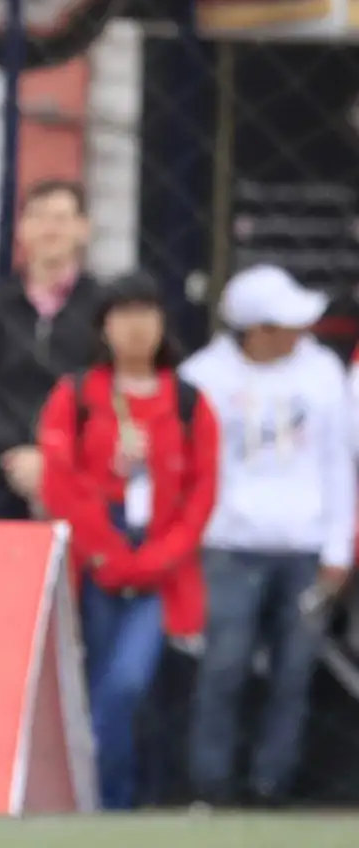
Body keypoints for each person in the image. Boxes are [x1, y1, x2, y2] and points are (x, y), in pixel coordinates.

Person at [37, 271, 218, 811]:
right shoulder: (76, 396)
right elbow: (60, 482)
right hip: (96, 563)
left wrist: (158, 557)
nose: (137, 328)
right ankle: (105, 801)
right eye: (124, 315)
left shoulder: (189, 403)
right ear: (103, 327)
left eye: (147, 314)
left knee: (128, 684)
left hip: (160, 567)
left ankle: (115, 799)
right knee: (97, 684)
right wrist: (104, 550)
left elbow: (202, 493)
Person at [180, 263, 356, 808]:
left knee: (294, 672)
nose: (301, 334)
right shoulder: (202, 377)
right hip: (229, 548)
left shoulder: (323, 372)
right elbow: (186, 470)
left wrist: (336, 548)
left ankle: (271, 784)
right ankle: (210, 786)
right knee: (223, 667)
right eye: (286, 325)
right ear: (256, 331)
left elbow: (338, 463)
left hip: (303, 547)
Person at [0, 179, 102, 519]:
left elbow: (103, 388)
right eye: (39, 217)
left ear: (83, 229)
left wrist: (54, 459)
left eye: (62, 218)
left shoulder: (101, 307)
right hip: (0, 476)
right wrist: (15, 454)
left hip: (81, 474)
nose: (51, 229)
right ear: (21, 229)